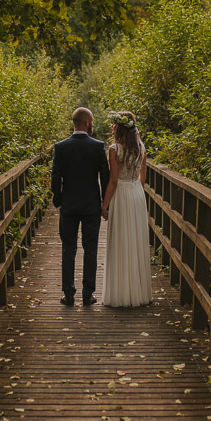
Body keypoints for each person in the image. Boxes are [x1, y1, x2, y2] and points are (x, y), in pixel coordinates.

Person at [50, 107, 110, 306]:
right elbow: (105, 176)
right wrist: (104, 203)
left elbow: (55, 177)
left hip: (69, 205)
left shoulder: (61, 147)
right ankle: (87, 294)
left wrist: (58, 200)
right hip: (91, 205)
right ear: (87, 122)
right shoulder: (97, 146)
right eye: (91, 121)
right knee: (90, 249)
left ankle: (68, 295)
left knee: (68, 249)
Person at [101, 111, 151, 307]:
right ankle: (138, 292)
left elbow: (113, 181)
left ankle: (120, 293)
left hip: (121, 192)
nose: (112, 128)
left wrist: (105, 205)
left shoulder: (114, 149)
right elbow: (143, 175)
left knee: (120, 239)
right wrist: (136, 189)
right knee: (136, 239)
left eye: (114, 125)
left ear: (120, 127)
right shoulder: (141, 147)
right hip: (136, 193)